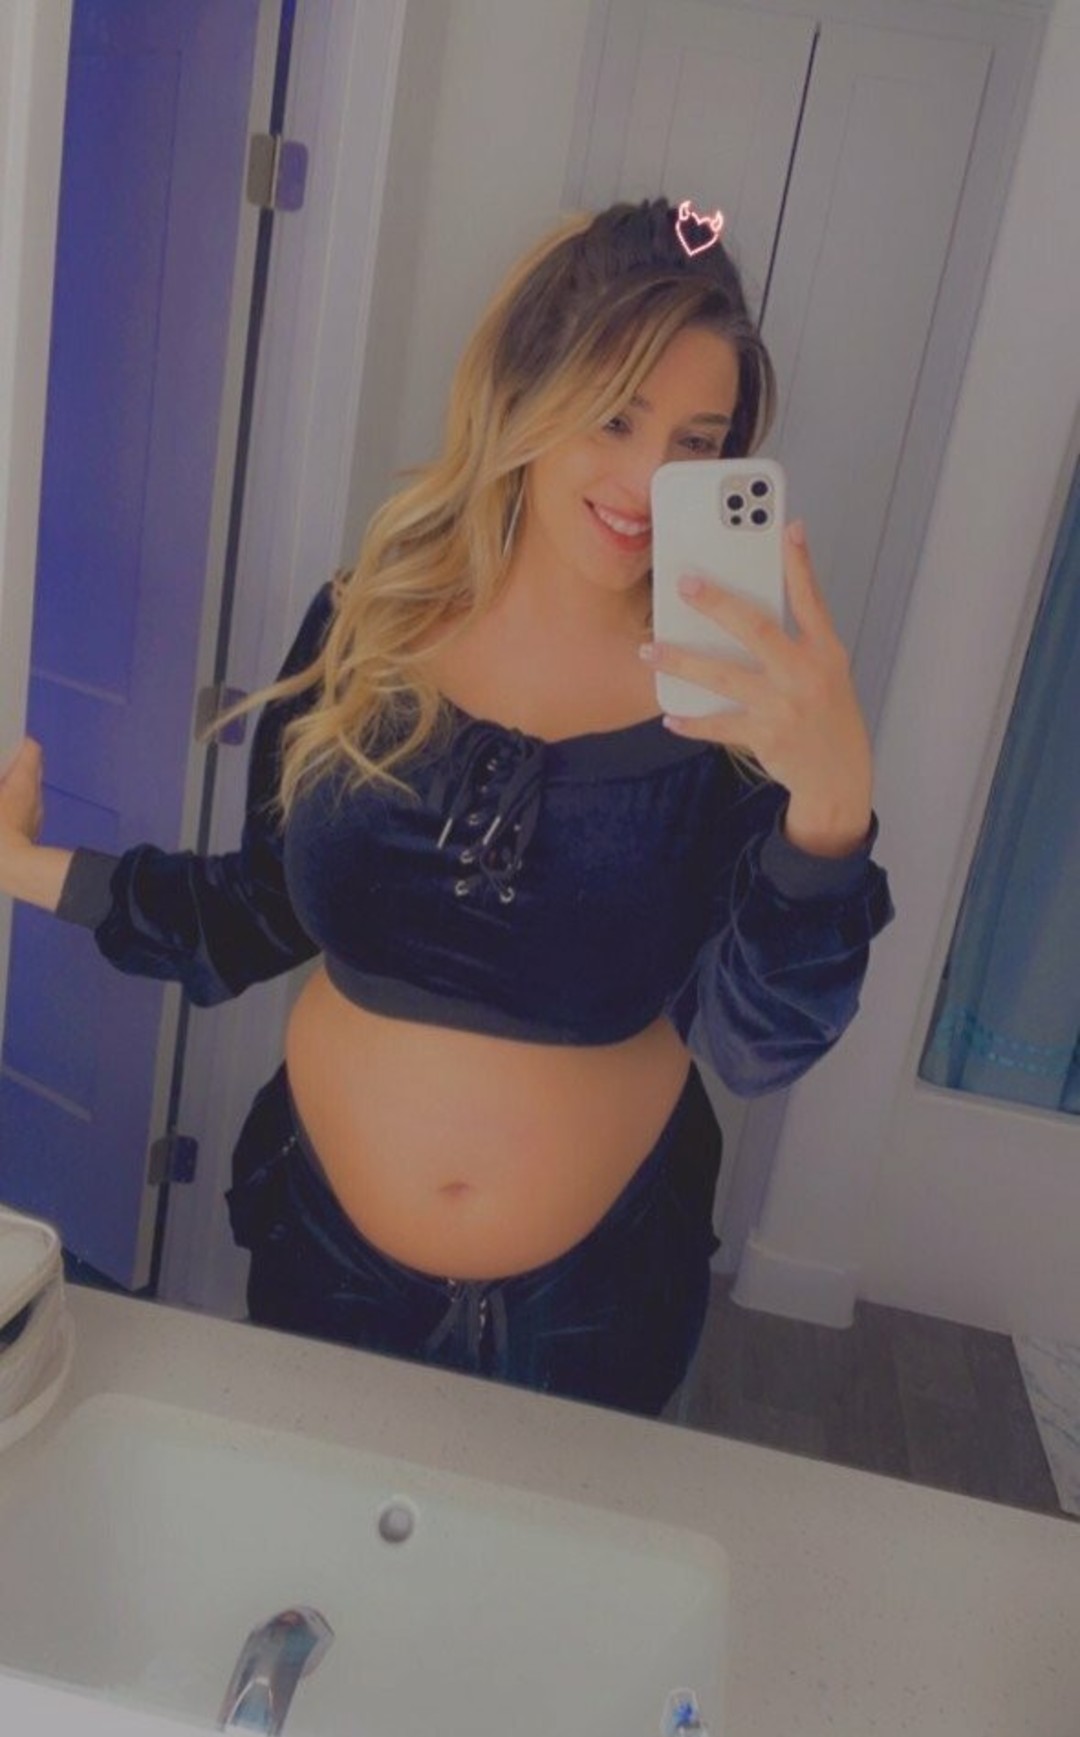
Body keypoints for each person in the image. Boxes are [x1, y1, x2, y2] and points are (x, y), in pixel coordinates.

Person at [0, 197, 893, 1419]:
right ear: (524, 390)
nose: (649, 480)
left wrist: (830, 806)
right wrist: (24, 864)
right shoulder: (365, 622)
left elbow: (755, 1045)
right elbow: (255, 910)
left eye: (698, 441)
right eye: (614, 414)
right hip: (323, 1250)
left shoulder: (738, 699)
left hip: (594, 1298)